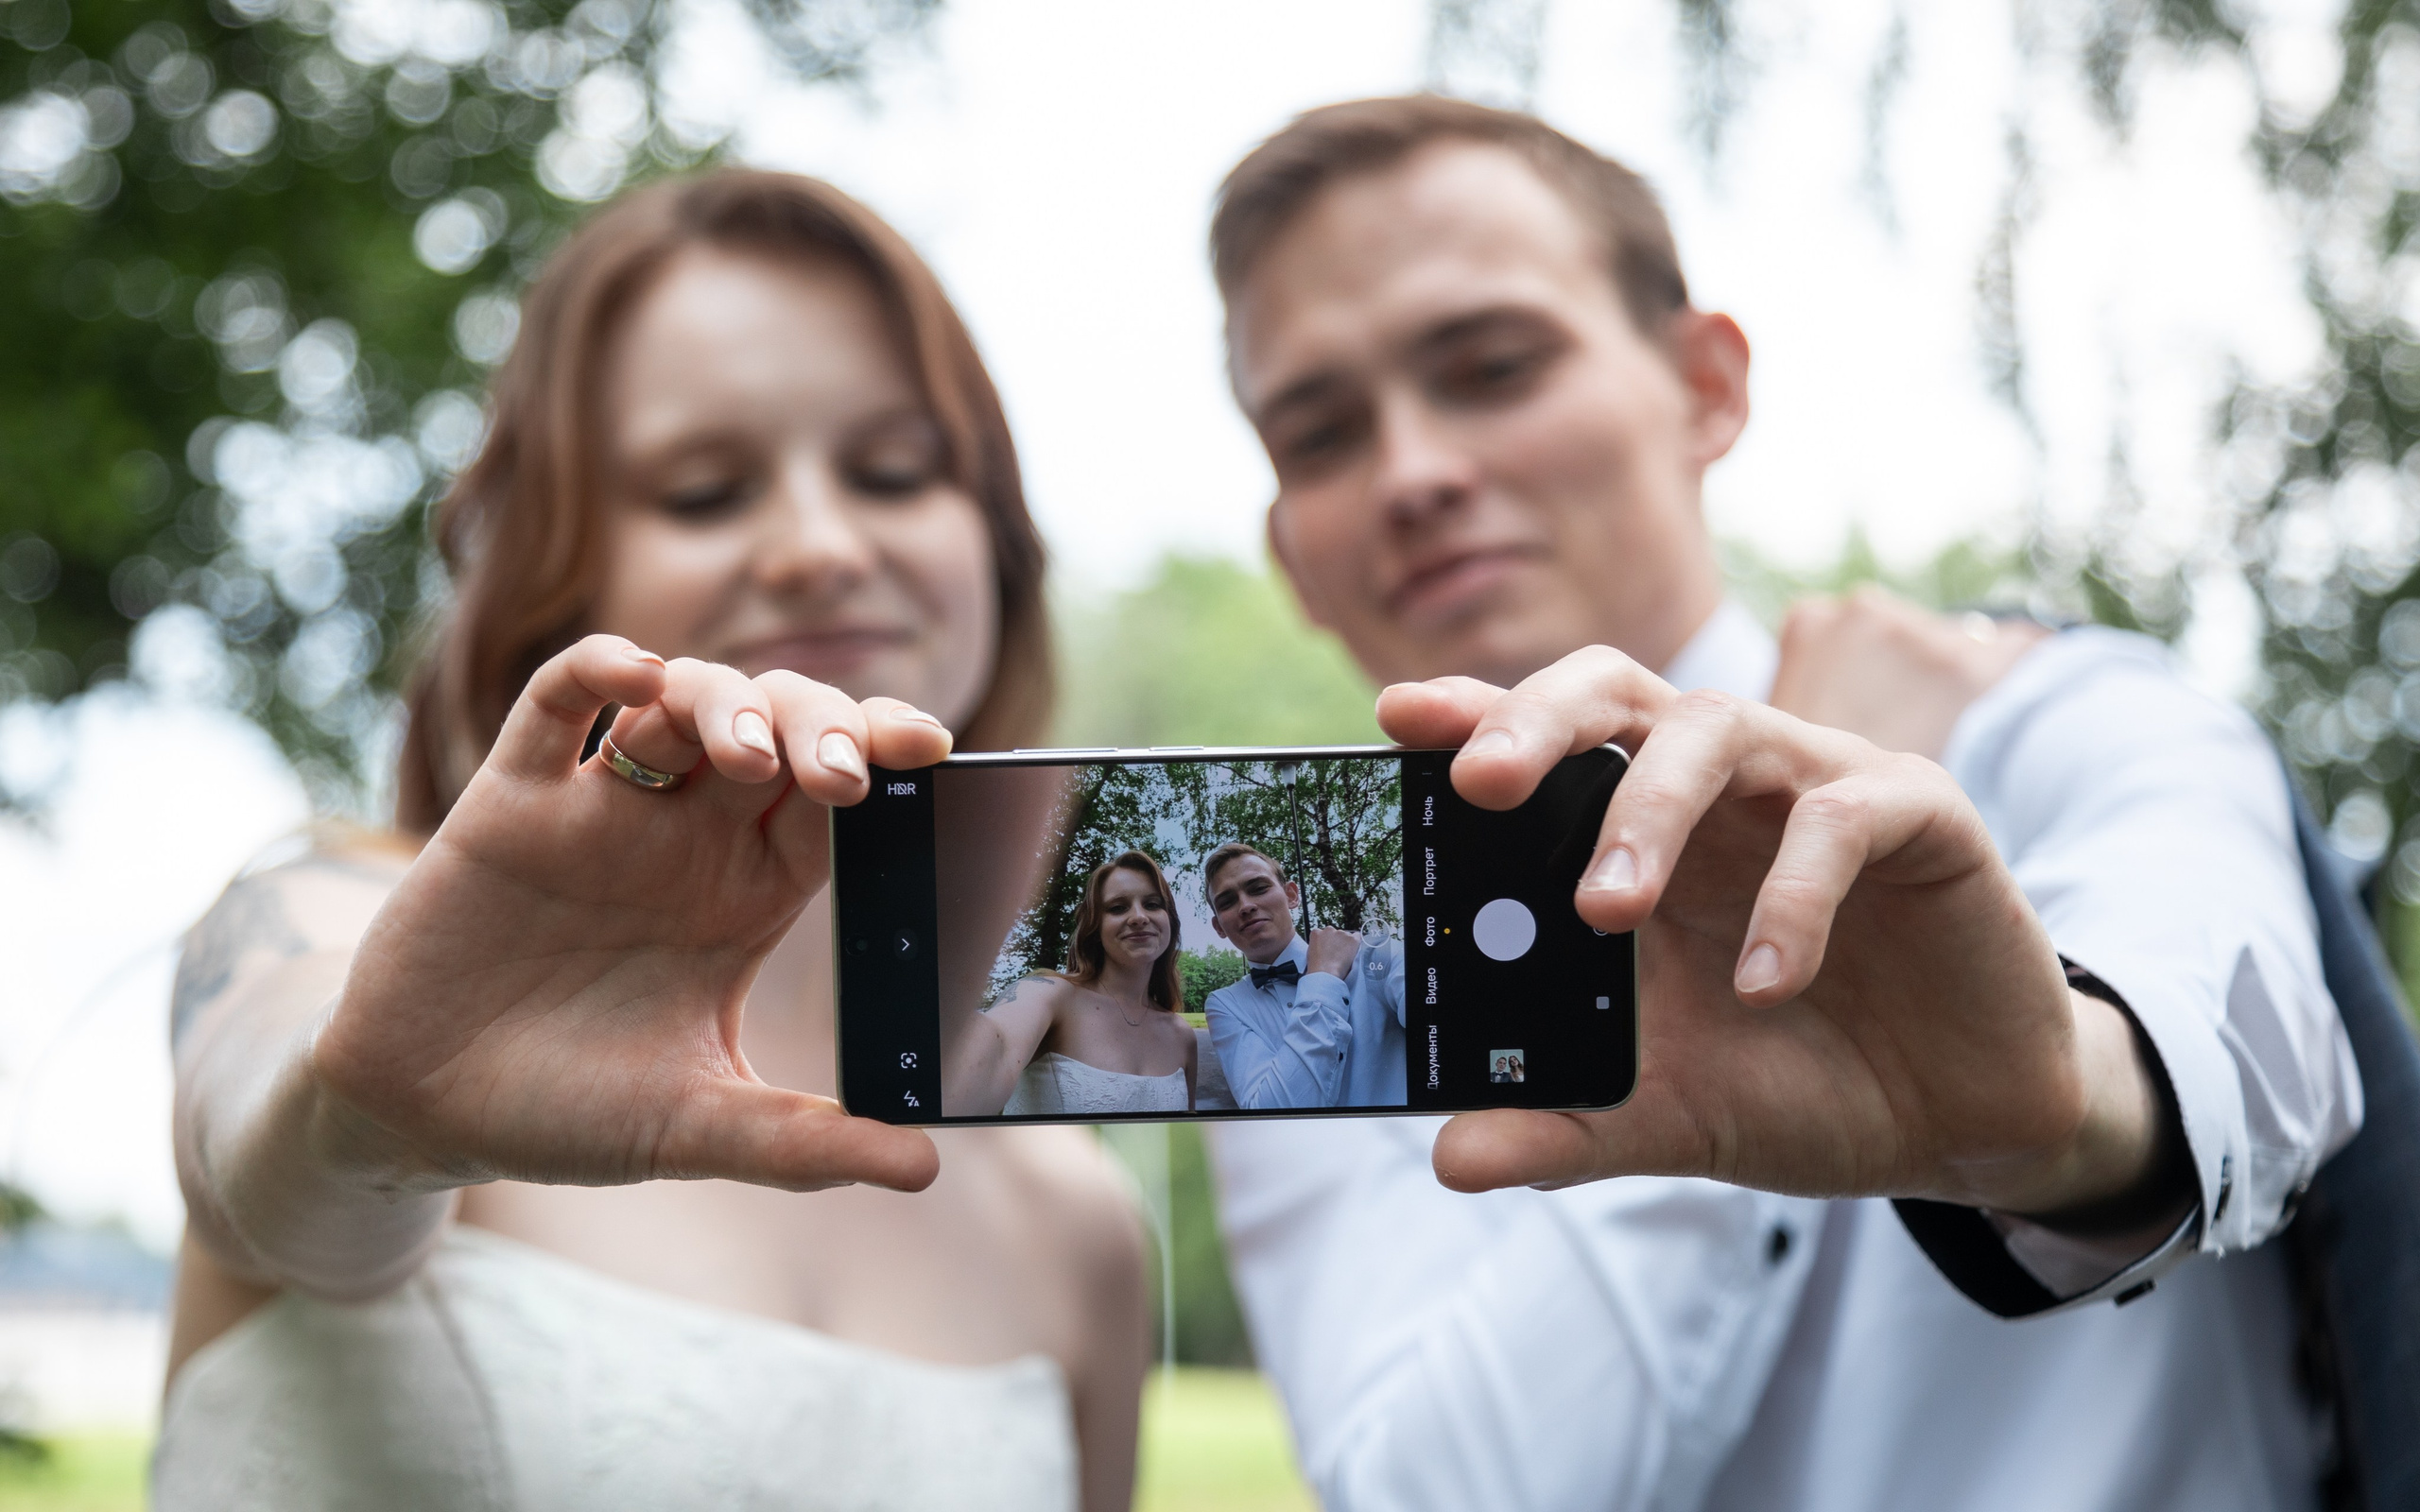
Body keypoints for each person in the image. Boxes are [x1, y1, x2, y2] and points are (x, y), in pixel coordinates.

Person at [1197, 96, 2361, 1510]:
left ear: (1705, 386)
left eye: (1494, 366)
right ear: (1292, 561)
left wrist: (2047, 1109)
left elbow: (2253, 1059)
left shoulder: (2060, 717)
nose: (1414, 473)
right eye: (1319, 437)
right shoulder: (1290, 1019)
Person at [156, 170, 1147, 1512]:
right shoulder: (341, 925)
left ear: (998, 552)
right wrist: (368, 1110)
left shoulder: (1078, 1219)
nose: (819, 545)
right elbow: (272, 1152)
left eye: (896, 471)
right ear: (565, 576)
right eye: (703, 489)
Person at [946, 850, 1233, 1116]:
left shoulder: (1182, 1036)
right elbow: (996, 1047)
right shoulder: (1049, 995)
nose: (1139, 917)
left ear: (1169, 921)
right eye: (1118, 908)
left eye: (1152, 904)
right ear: (1095, 927)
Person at [1200, 841, 1407, 1108]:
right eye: (1227, 902)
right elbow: (1270, 1111)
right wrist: (1323, 978)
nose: (1246, 906)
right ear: (1219, 927)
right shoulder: (1225, 1004)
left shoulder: (1372, 954)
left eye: (1258, 888)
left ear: (1292, 895)